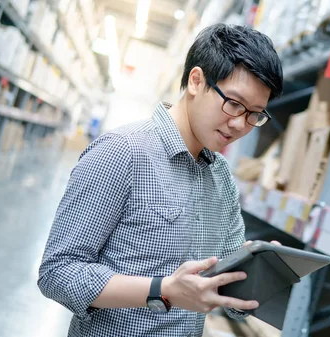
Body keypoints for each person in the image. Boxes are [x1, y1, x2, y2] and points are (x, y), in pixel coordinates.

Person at [37, 23, 283, 337]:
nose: (239, 124)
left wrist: (258, 271)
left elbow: (230, 298)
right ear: (196, 81)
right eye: (234, 104)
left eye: (254, 114)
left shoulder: (221, 178)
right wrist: (163, 289)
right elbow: (57, 272)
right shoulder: (121, 152)